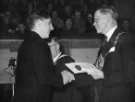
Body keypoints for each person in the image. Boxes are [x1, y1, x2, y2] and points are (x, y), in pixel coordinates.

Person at [13, 11, 75, 102]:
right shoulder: (40, 44)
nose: (52, 28)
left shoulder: (26, 42)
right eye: (49, 24)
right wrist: (63, 78)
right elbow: (45, 76)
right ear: (39, 24)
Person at [93, 5, 135, 102]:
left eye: (96, 20)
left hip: (119, 96)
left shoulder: (126, 39)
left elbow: (130, 75)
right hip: (104, 93)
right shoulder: (105, 40)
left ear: (107, 20)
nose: (94, 23)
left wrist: (103, 75)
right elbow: (100, 65)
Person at [48, 38, 95, 102]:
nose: (46, 49)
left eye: (49, 46)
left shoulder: (66, 60)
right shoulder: (50, 62)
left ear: (57, 46)